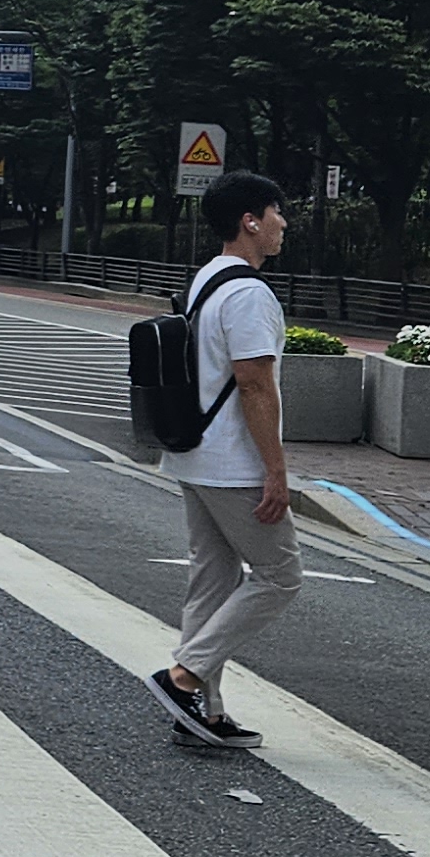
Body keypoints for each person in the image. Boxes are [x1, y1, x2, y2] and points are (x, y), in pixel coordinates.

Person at [151, 169, 296, 750]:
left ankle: (203, 715)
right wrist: (276, 470)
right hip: (233, 463)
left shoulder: (207, 279)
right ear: (250, 221)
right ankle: (183, 677)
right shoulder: (249, 293)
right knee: (282, 575)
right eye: (277, 212)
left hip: (192, 455)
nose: (284, 223)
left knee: (212, 581)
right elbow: (255, 384)